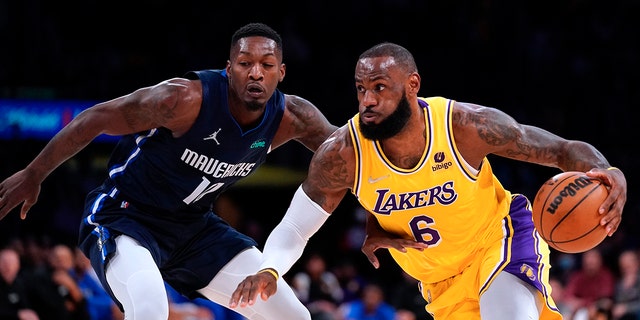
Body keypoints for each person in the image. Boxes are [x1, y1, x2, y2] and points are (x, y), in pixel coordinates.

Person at [228, 42, 628, 320]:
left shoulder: (466, 126)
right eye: (361, 89)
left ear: (412, 86)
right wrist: (270, 270)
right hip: (439, 281)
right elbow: (297, 226)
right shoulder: (343, 154)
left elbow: (561, 150)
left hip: (499, 243)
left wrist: (609, 174)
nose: (367, 100)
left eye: (380, 88)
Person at [0, 22, 337, 320]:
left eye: (266, 65)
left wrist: (379, 218)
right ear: (229, 68)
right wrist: (34, 173)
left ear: (281, 72)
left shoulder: (293, 117)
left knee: (292, 314)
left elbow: (352, 159)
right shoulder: (183, 99)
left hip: (194, 227)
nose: (255, 73)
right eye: (245, 63)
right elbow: (97, 117)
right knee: (150, 309)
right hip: (125, 217)